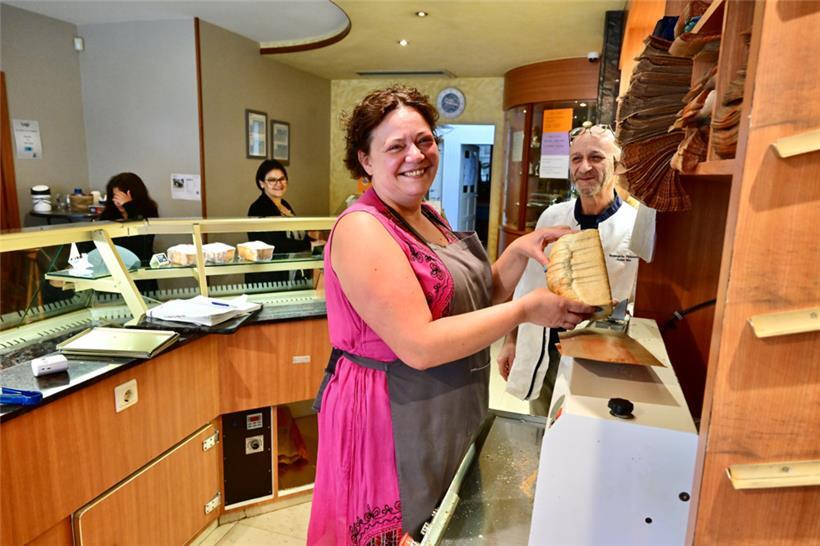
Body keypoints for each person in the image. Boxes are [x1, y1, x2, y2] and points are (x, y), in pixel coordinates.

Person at [307, 85, 595, 545]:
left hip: (443, 402)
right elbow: (419, 344)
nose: (415, 155)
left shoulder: (429, 215)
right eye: (395, 146)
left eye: (424, 140)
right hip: (389, 411)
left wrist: (518, 253)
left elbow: (472, 304)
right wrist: (525, 310)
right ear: (365, 160)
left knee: (443, 524)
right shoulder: (362, 228)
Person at [498, 122, 640, 416]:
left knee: (586, 431)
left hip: (600, 359)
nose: (584, 167)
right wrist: (510, 340)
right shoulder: (552, 216)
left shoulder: (635, 226)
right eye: (577, 158)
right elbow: (528, 284)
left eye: (596, 157)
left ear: (616, 164)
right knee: (542, 427)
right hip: (546, 349)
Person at [246, 159, 312, 284]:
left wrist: (313, 241)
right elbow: (274, 245)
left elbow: (295, 236)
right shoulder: (258, 207)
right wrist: (309, 245)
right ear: (261, 183)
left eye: (282, 179)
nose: (279, 184)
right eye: (272, 180)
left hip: (289, 271)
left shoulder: (285, 205)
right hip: (269, 277)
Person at [98, 172, 159, 292]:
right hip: (116, 269)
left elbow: (142, 237)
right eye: (115, 196)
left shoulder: (148, 210)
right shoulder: (108, 215)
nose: (118, 202)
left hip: (142, 269)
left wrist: (129, 206)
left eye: (121, 196)